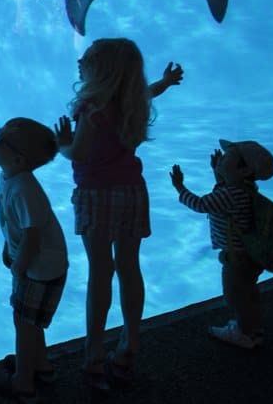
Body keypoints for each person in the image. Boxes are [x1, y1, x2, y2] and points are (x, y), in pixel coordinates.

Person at [52, 38, 182, 389]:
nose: (81, 63)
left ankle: (94, 357)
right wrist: (166, 82)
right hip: (132, 193)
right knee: (129, 268)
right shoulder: (131, 101)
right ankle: (129, 346)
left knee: (100, 273)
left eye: (88, 61)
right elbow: (149, 91)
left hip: (97, 196)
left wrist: (63, 142)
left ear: (101, 72)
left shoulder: (91, 108)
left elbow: (78, 153)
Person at [0, 117, 67, 403]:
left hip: (38, 269)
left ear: (18, 159)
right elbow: (14, 224)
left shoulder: (24, 189)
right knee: (31, 322)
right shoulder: (9, 175)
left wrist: (19, 266)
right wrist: (10, 248)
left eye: (0, 141)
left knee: (23, 322)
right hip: (42, 264)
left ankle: (23, 383)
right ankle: (41, 365)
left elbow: (32, 235)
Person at [170, 139, 273, 349]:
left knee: (234, 295)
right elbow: (226, 189)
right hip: (249, 256)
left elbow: (201, 204)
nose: (223, 158)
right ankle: (254, 328)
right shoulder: (245, 188)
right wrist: (218, 172)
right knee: (249, 293)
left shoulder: (230, 194)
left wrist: (180, 188)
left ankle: (243, 334)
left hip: (235, 259)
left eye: (229, 157)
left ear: (245, 170)